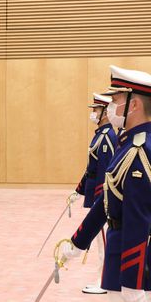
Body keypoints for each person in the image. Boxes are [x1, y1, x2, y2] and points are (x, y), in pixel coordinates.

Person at [62, 65, 151, 302]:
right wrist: (78, 242)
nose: (111, 107)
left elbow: (138, 218)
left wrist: (133, 282)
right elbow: (109, 200)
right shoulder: (127, 144)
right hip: (118, 249)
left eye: (116, 100)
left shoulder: (140, 150)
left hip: (131, 259)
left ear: (134, 105)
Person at [73, 93, 117, 294]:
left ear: (106, 113)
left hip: (103, 198)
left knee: (104, 242)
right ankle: (103, 277)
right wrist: (79, 191)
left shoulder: (107, 137)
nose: (93, 113)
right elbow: (91, 167)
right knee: (101, 241)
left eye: (96, 110)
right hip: (97, 196)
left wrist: (100, 201)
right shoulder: (100, 134)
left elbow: (105, 171)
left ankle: (104, 280)